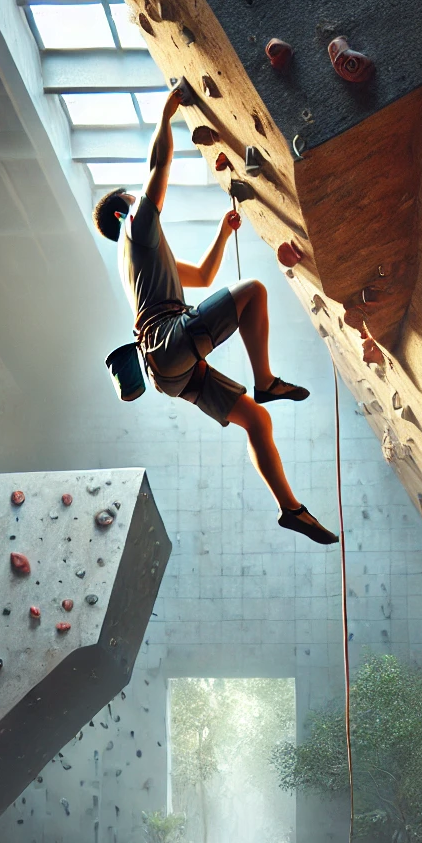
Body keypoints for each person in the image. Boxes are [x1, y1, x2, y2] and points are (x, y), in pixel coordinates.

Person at [95, 80, 338, 545]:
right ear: (125, 212)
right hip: (168, 341)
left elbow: (204, 277)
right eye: (134, 199)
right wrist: (167, 116)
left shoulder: (148, 255)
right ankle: (266, 382)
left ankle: (291, 509)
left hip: (169, 368)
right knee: (252, 290)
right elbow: (159, 164)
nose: (142, 202)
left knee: (256, 421)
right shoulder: (133, 231)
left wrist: (225, 233)